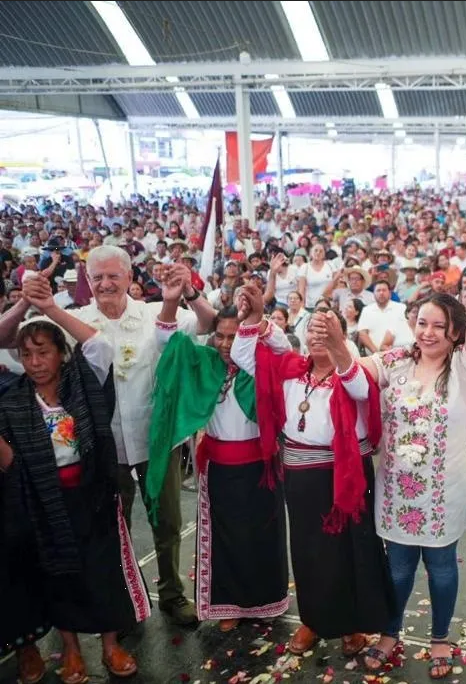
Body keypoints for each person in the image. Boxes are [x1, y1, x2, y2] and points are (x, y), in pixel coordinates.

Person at [0, 246, 215, 626]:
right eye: (97, 277)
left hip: (156, 441)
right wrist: (26, 302)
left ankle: (172, 594)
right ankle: (125, 601)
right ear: (87, 280)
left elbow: (209, 324)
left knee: (167, 522)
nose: (105, 284)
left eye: (114, 275)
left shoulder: (155, 312)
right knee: (113, 528)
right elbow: (7, 340)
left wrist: (190, 292)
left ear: (130, 277)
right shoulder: (73, 319)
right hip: (101, 448)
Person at [0, 275, 151, 682]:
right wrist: (22, 307)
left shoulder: (81, 382)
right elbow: (10, 463)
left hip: (92, 494)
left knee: (102, 573)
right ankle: (70, 650)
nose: (35, 362)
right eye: (26, 354)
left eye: (43, 352)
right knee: (59, 576)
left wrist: (48, 308)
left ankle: (110, 645)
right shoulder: (13, 401)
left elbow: (100, 345)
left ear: (61, 353)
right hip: (45, 502)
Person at [231, 285, 394, 658]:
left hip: (346, 477)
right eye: (314, 330)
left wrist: (339, 347)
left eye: (328, 330)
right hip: (302, 475)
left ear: (342, 337)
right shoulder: (289, 369)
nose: (319, 336)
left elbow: (359, 389)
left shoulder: (354, 372)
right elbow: (242, 354)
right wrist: (255, 318)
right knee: (308, 552)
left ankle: (351, 625)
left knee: (349, 552)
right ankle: (313, 621)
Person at [353, 292, 466, 679]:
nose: (427, 332)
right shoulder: (395, 361)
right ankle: (389, 632)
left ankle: (440, 637)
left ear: (455, 332)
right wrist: (330, 343)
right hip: (398, 490)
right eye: (422, 323)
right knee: (397, 569)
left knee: (442, 568)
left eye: (438, 326)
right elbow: (352, 372)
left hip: (444, 493)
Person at [149, 264, 289, 631]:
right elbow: (168, 344)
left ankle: (263, 602)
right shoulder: (206, 363)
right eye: (221, 336)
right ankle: (230, 605)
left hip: (260, 468)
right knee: (225, 539)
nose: (226, 345)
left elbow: (284, 346)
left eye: (234, 336)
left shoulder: (261, 364)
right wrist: (171, 301)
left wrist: (257, 318)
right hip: (218, 468)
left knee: (262, 535)